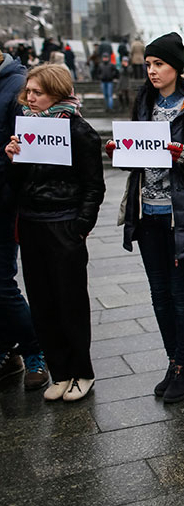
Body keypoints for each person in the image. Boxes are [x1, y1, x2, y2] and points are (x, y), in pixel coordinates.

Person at [106, 33, 184, 403]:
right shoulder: (144, 100)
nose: (153, 71)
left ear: (176, 67)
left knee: (181, 292)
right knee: (159, 294)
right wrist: (117, 150)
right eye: (149, 65)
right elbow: (135, 152)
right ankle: (173, 362)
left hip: (181, 214)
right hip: (147, 211)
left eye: (159, 64)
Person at [4, 64, 105, 401]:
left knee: (70, 301)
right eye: (28, 92)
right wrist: (13, 159)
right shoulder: (26, 130)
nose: (29, 98)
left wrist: (80, 227)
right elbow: (18, 185)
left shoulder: (79, 131)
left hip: (63, 225)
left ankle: (82, 373)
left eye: (37, 93)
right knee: (43, 301)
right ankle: (60, 372)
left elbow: (94, 185)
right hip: (32, 225)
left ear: (56, 94)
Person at [0, 50, 49, 390]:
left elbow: (30, 148)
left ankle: (35, 350)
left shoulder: (16, 85)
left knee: (2, 283)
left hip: (4, 201)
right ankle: (8, 349)